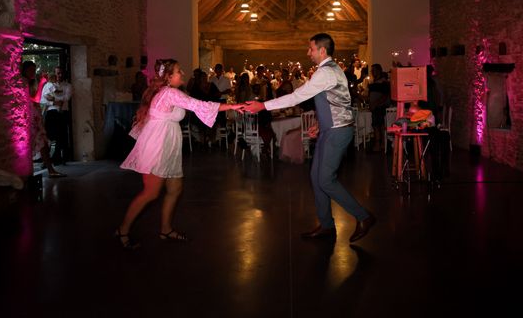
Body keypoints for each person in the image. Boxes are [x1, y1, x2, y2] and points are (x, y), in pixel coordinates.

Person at [243, 33, 375, 243]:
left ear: (322, 51)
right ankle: (326, 225)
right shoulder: (330, 71)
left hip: (337, 132)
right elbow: (337, 101)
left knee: (325, 180)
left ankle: (364, 217)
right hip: (330, 129)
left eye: (311, 49)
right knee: (316, 177)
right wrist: (320, 123)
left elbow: (297, 96)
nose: (308, 53)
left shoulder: (325, 72)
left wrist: (263, 105)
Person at [115, 59, 242, 249]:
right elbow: (198, 104)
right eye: (178, 71)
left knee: (174, 190)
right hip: (158, 147)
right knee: (150, 193)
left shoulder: (168, 92)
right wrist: (231, 107)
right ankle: (122, 230)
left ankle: (166, 229)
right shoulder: (169, 92)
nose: (182, 73)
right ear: (169, 77)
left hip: (168, 146)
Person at [21, 61, 66, 178]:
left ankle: (50, 169)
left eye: (34, 70)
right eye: (31, 70)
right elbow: (36, 99)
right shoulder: (23, 82)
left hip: (34, 115)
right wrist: (42, 83)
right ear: (25, 70)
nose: (33, 72)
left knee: (42, 142)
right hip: (30, 116)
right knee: (40, 142)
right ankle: (47, 170)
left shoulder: (28, 82)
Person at [41, 66, 73, 163]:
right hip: (51, 113)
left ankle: (58, 158)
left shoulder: (68, 86)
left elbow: (66, 98)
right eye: (58, 73)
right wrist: (54, 102)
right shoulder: (48, 85)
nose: (60, 75)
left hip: (62, 113)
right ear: (54, 74)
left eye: (61, 73)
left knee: (61, 136)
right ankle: (46, 159)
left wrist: (52, 99)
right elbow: (43, 100)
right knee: (49, 136)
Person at [367, 63, 391, 152]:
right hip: (375, 107)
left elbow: (385, 96)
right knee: (376, 125)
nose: (372, 72)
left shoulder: (383, 82)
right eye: (371, 71)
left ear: (379, 71)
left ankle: (381, 145)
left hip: (380, 107)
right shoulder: (374, 82)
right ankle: (379, 144)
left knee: (379, 126)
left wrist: (375, 103)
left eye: (374, 70)